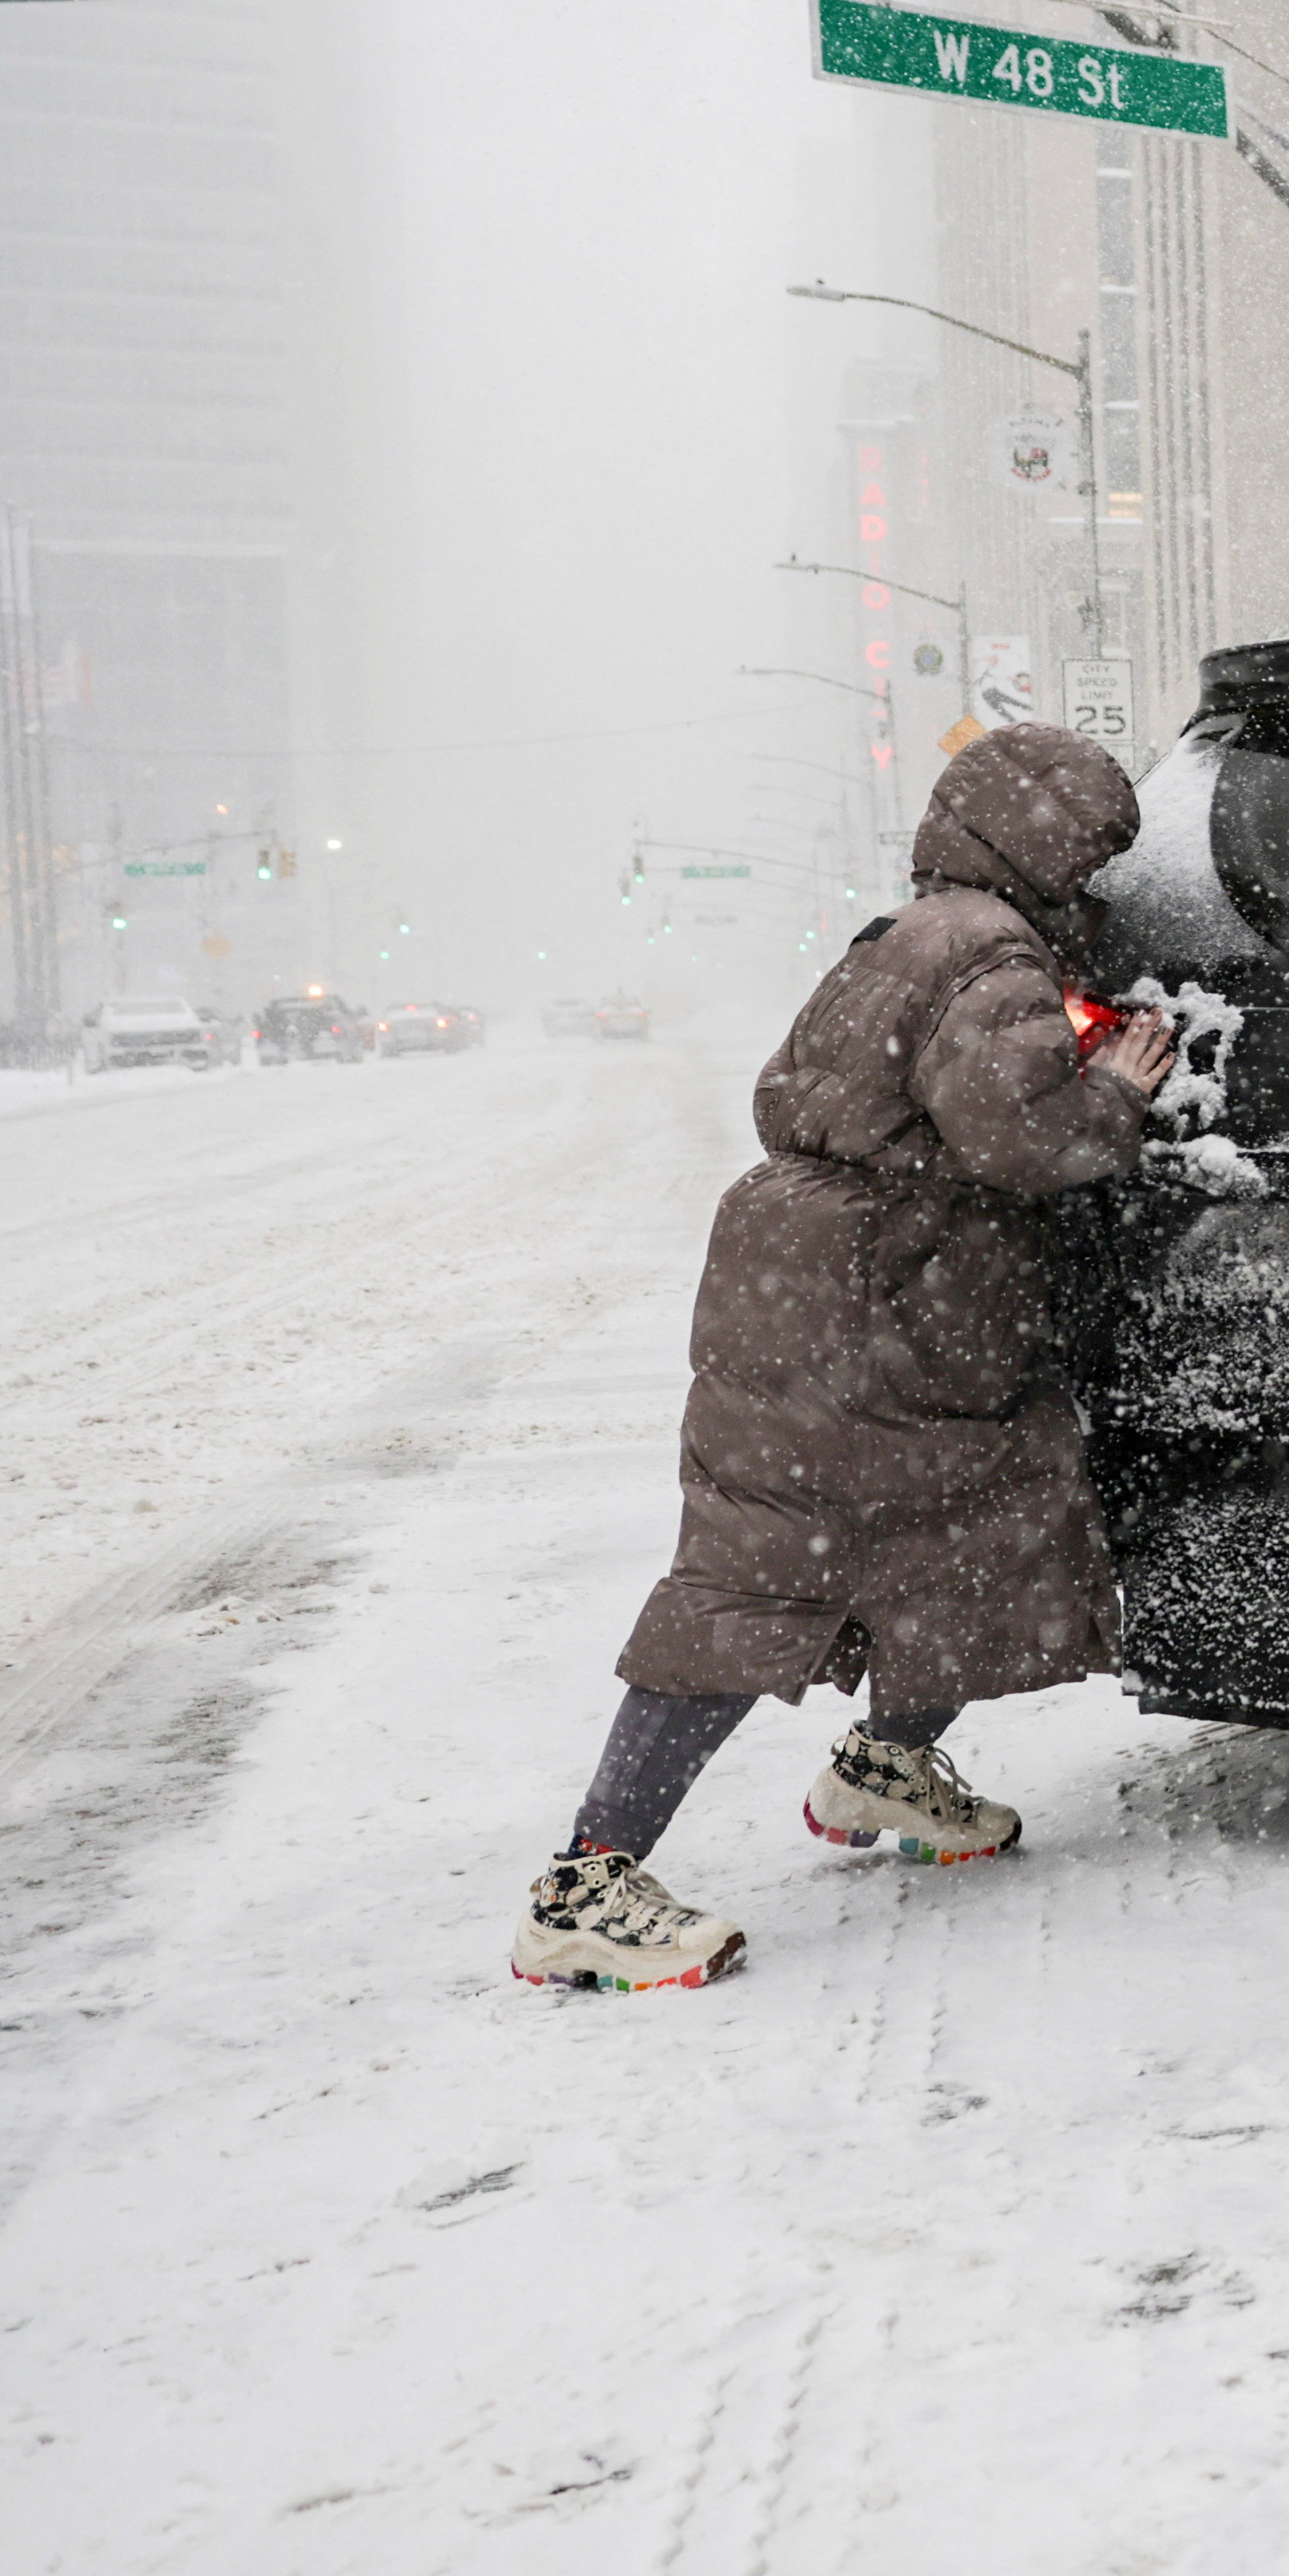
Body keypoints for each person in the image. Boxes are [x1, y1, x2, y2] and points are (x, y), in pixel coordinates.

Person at [512, 724, 1179, 1991]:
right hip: (878, 1303)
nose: (1095, 881)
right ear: (1040, 843)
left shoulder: (921, 930)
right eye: (1088, 854)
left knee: (995, 1534)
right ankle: (586, 1886)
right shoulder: (991, 952)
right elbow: (1021, 1137)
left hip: (854, 1286)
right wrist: (1121, 1092)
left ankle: (886, 1771)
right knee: (764, 1581)